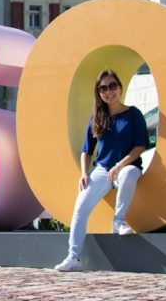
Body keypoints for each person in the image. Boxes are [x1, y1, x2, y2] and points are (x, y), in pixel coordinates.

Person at [54, 69, 149, 272]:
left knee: (129, 174)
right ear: (99, 93)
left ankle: (119, 221)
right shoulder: (96, 118)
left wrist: (120, 165)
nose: (109, 91)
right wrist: (84, 173)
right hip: (101, 170)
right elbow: (86, 151)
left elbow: (140, 145)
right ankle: (73, 258)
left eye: (112, 86)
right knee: (80, 210)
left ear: (120, 87)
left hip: (126, 166)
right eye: (103, 88)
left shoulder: (133, 114)